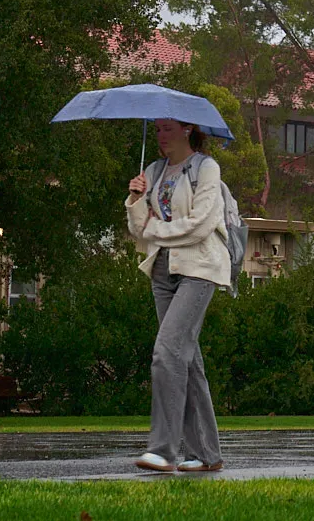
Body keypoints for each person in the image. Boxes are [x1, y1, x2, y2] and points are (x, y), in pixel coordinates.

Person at [127, 116, 230, 473]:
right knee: (185, 359)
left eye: (167, 129)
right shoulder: (154, 172)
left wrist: (157, 229)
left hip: (199, 269)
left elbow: (202, 225)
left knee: (167, 352)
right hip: (161, 271)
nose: (160, 136)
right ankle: (206, 453)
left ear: (187, 129)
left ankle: (163, 450)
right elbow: (139, 231)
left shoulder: (206, 168)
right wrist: (136, 198)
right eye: (156, 130)